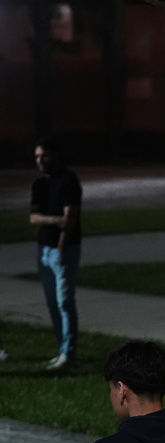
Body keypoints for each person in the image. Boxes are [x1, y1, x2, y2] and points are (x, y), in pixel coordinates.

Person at [30, 137, 81, 370]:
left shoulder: (68, 181)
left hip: (63, 250)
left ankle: (68, 353)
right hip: (44, 248)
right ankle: (61, 349)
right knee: (52, 303)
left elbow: (69, 220)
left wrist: (61, 246)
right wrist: (54, 220)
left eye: (44, 156)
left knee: (64, 302)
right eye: (37, 157)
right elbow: (33, 217)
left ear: (54, 156)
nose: (40, 160)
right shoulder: (39, 185)